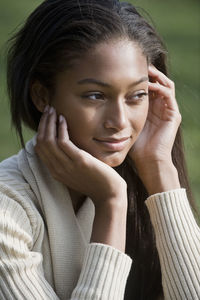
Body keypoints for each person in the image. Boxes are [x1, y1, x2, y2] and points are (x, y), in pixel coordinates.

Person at [0, 0, 199, 299]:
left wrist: (159, 167)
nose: (119, 122)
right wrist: (111, 204)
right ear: (42, 96)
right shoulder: (8, 211)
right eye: (95, 95)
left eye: (137, 95)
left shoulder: (143, 175)